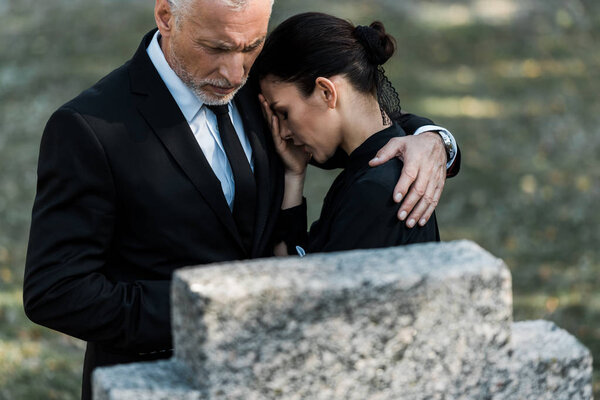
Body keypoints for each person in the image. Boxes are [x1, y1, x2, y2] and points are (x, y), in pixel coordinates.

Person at [23, 0, 459, 398]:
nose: (234, 73)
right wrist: (214, 307)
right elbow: (56, 290)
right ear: (165, 16)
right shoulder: (89, 128)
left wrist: (431, 140)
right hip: (161, 382)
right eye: (216, 47)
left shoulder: (258, 84)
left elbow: (354, 110)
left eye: (251, 46)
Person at [256, 12, 441, 254]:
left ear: (326, 92)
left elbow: (301, 288)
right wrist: (294, 175)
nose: (282, 131)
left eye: (284, 113)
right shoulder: (369, 167)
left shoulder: (376, 191)